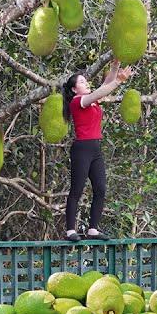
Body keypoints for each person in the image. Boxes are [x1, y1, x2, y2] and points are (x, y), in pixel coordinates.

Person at [61, 59, 133, 242]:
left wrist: (115, 67)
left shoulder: (92, 101)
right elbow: (103, 89)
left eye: (86, 81)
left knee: (100, 189)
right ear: (74, 90)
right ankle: (70, 230)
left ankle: (93, 228)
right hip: (82, 149)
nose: (87, 83)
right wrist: (119, 80)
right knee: (77, 190)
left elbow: (104, 86)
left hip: (95, 149)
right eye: (82, 82)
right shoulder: (78, 102)